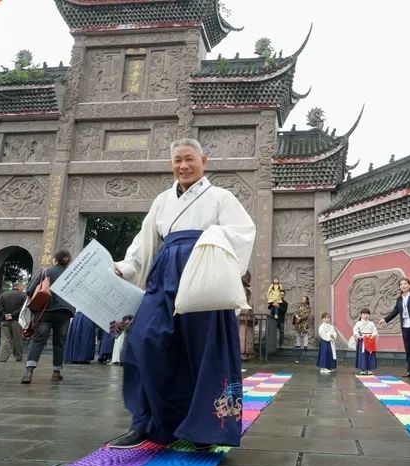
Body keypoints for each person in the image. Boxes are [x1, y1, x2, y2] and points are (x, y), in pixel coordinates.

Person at [109, 138, 255, 449]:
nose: (183, 166)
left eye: (189, 159)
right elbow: (145, 241)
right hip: (165, 275)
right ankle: (147, 423)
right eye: (177, 160)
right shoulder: (162, 201)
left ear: (205, 161)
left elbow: (244, 231)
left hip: (204, 273)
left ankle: (206, 429)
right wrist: (125, 266)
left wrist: (211, 236)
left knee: (203, 350)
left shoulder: (221, 197)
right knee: (144, 341)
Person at [21, 250, 76, 384]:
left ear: (55, 260)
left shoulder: (46, 272)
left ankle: (29, 372)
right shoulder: (73, 274)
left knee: (38, 341)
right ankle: (56, 372)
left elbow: (29, 289)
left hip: (46, 311)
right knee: (59, 342)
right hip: (64, 313)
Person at [378, 278, 410, 378]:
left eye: (405, 284)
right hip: (405, 326)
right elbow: (395, 311)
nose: (403, 286)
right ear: (399, 287)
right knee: (408, 349)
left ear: (409, 285)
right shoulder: (399, 298)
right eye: (401, 284)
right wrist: (385, 319)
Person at [0, 281, 27, 362]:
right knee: (17, 339)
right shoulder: (23, 295)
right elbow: (23, 308)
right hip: (17, 320)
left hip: (4, 320)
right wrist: (12, 315)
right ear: (19, 286)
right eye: (23, 286)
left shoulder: (3, 295)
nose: (23, 288)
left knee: (5, 339)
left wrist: (6, 315)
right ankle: (18, 356)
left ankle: (3, 357)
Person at [353, 307, 378, 375]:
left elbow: (375, 331)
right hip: (362, 340)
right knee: (362, 355)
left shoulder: (371, 323)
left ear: (369, 315)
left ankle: (370, 369)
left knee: (370, 354)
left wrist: (373, 335)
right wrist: (358, 336)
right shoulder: (358, 323)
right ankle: (362, 369)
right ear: (361, 315)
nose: (365, 315)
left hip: (370, 340)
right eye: (364, 314)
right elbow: (355, 330)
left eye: (367, 314)